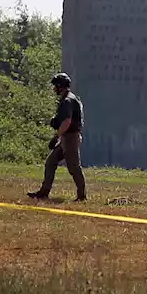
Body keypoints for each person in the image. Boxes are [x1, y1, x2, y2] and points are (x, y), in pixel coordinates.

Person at [28, 72, 87, 202]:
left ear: (60, 86)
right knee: (51, 162)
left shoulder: (67, 101)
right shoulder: (69, 98)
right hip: (66, 137)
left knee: (73, 167)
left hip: (70, 138)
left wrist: (56, 137)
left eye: (55, 86)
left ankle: (82, 196)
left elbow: (67, 121)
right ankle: (43, 192)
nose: (54, 88)